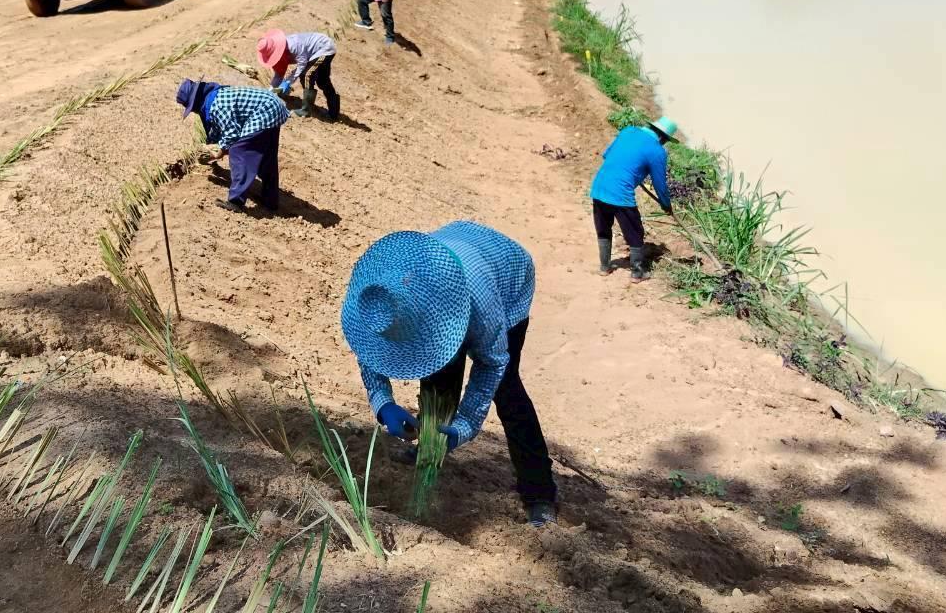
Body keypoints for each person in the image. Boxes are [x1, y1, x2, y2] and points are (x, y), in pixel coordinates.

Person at [341, 221, 558, 528]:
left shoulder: (481, 304)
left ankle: (540, 494)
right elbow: (371, 345)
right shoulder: (379, 294)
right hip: (457, 250)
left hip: (507, 274)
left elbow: (492, 363)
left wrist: (465, 426)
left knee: (507, 389)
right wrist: (383, 402)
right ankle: (430, 451)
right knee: (439, 371)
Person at [175, 79, 289, 214]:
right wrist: (210, 146)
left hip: (265, 111)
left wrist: (220, 151)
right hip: (273, 107)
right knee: (267, 158)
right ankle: (270, 200)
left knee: (238, 151)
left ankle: (236, 201)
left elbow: (231, 134)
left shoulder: (216, 105)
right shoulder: (215, 97)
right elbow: (219, 129)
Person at [590, 116, 678, 280]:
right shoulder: (657, 151)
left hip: (599, 187)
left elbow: (607, 154)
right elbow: (660, 184)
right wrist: (666, 204)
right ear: (662, 137)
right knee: (635, 232)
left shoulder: (628, 131)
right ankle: (638, 272)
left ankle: (604, 266)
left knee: (603, 227)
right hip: (620, 193)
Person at [256, 29, 340, 121]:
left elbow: (302, 65)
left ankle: (306, 110)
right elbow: (279, 74)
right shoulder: (279, 56)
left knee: (307, 75)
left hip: (323, 47)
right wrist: (271, 91)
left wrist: (288, 82)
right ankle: (333, 113)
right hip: (315, 52)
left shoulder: (294, 46)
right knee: (322, 81)